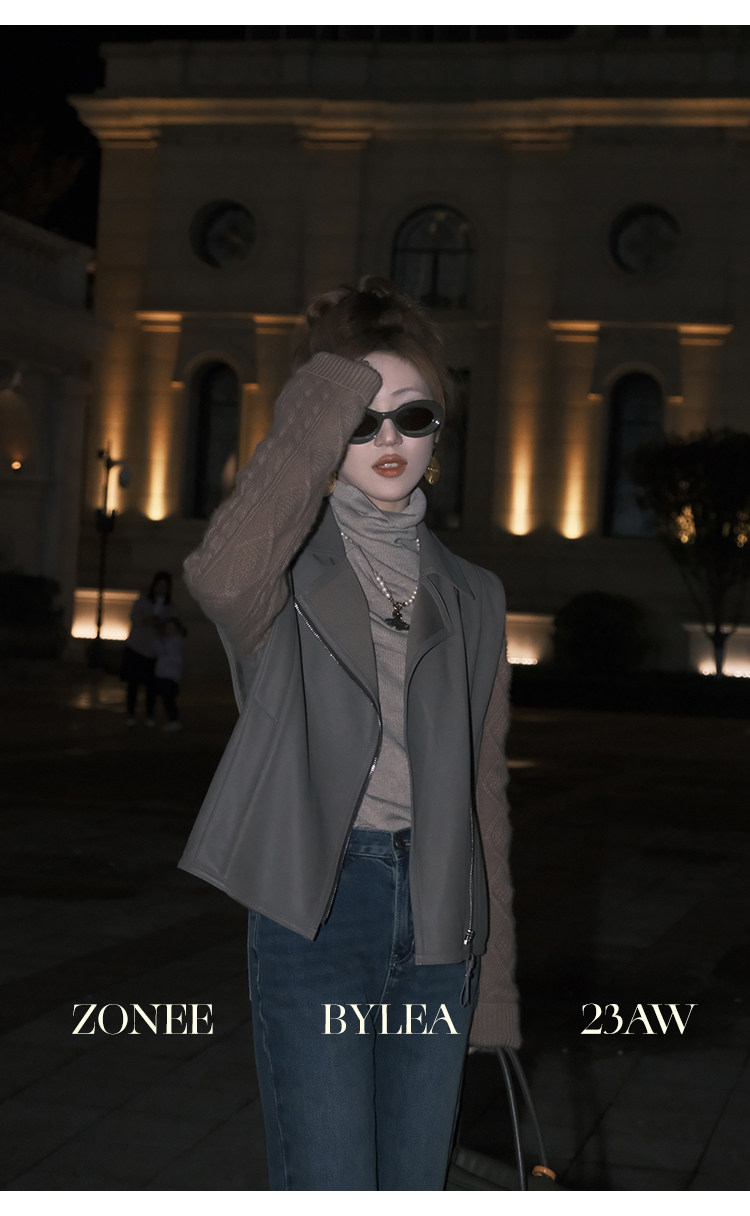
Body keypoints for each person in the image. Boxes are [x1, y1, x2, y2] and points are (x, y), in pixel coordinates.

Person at [179, 276, 519, 1191]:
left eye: (413, 416)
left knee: (412, 1190)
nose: (389, 440)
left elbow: (483, 794)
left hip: (441, 919)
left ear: (439, 432)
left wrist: (493, 991)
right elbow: (218, 575)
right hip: (322, 908)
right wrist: (329, 375)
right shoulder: (280, 571)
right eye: (360, 421)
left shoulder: (476, 595)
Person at [121, 571, 174, 726]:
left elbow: (172, 627)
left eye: (165, 586)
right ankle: (131, 714)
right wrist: (146, 619)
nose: (161, 589)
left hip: (154, 652)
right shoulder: (143, 601)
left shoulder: (169, 607)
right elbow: (134, 617)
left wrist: (161, 626)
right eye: (159, 585)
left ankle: (149, 714)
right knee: (133, 684)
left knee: (152, 686)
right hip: (137, 648)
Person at [153, 617, 186, 731]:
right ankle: (172, 720)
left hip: (170, 675)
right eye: (167, 627)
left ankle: (174, 720)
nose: (169, 630)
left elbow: (165, 652)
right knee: (166, 698)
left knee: (169, 699)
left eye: (171, 628)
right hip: (164, 674)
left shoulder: (176, 641)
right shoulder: (167, 640)